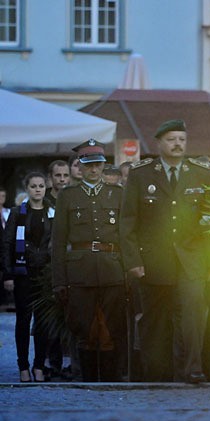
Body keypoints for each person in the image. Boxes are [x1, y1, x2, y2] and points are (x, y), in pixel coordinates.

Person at [120, 119, 210, 383]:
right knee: (154, 322)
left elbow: (209, 220)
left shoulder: (199, 172)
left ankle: (193, 368)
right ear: (159, 143)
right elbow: (128, 221)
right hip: (153, 261)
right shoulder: (141, 173)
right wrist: (133, 260)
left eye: (182, 139)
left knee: (193, 316)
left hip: (191, 260)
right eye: (171, 139)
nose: (178, 144)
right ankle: (155, 372)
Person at [51, 139, 127, 382]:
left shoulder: (117, 194)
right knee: (84, 328)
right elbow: (59, 241)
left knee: (111, 328)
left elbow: (126, 237)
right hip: (80, 272)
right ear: (80, 167)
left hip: (112, 269)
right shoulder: (68, 196)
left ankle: (110, 382)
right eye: (89, 165)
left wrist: (128, 272)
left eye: (98, 164)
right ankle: (87, 380)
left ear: (103, 166)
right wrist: (59, 281)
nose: (94, 170)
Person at [2, 172, 54, 382]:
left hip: (45, 274)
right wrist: (8, 274)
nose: (38, 189)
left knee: (42, 323)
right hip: (23, 272)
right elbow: (7, 244)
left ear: (45, 188)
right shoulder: (18, 213)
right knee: (23, 321)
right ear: (27, 189)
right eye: (33, 186)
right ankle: (23, 366)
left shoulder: (52, 213)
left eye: (41, 186)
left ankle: (39, 365)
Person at [43, 159, 71, 380]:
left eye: (65, 175)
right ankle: (52, 363)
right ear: (50, 178)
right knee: (50, 317)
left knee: (71, 318)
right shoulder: (43, 202)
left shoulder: (72, 197)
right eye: (58, 175)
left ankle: (70, 364)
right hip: (46, 265)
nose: (62, 179)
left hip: (71, 264)